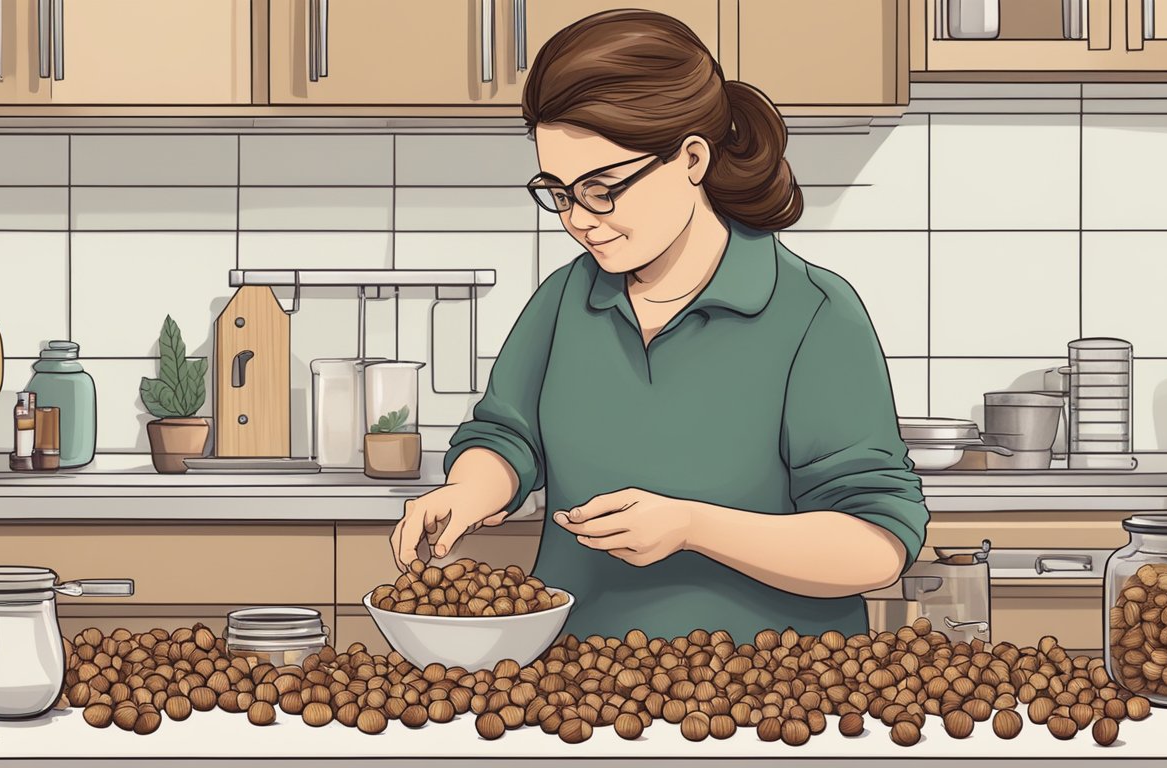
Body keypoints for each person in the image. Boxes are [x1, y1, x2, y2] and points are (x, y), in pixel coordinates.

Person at [390, 9, 929, 643]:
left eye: (602, 187)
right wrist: (470, 490)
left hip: (775, 696)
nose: (578, 219)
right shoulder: (565, 299)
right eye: (558, 192)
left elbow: (877, 544)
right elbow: (508, 436)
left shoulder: (812, 312)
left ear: (692, 159)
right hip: (575, 686)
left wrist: (693, 528)